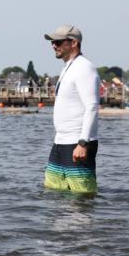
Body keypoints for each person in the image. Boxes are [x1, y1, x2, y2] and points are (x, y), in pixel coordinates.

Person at [43, 25, 99, 194]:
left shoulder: (84, 67)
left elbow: (92, 107)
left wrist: (83, 142)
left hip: (77, 142)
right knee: (53, 192)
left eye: (58, 42)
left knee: (81, 196)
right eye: (53, 42)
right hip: (60, 141)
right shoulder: (68, 67)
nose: (54, 45)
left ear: (74, 43)